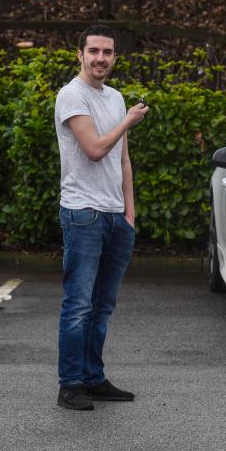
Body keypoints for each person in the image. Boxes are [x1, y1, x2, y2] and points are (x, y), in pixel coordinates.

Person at [53, 24, 149, 410]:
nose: (100, 59)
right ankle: (70, 384)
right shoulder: (70, 96)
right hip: (83, 215)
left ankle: (93, 378)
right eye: (93, 51)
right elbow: (94, 149)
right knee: (78, 304)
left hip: (114, 218)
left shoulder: (115, 97)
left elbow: (122, 159)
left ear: (114, 57)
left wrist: (129, 213)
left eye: (107, 53)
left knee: (102, 306)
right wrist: (127, 121)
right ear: (80, 55)